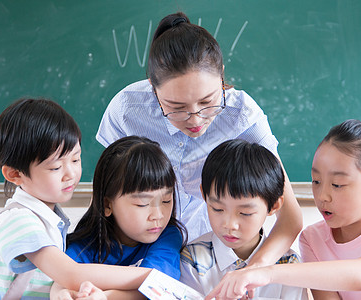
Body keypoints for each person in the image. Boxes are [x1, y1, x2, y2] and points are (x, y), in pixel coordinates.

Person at [96, 11, 302, 267]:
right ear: (152, 86)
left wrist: (254, 270)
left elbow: (290, 219)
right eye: (176, 107)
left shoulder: (243, 117)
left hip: (213, 253)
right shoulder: (127, 109)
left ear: (222, 76)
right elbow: (110, 197)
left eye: (208, 102)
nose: (195, 119)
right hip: (136, 251)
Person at [206, 119, 361, 300]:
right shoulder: (312, 238)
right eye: (316, 181)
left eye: (337, 185)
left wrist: (265, 273)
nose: (322, 196)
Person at [0, 99, 154, 299]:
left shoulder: (48, 217)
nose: (70, 173)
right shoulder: (18, 220)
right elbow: (71, 274)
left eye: (75, 159)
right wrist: (152, 275)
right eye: (55, 167)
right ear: (15, 174)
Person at [52, 136, 187, 299]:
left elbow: (156, 288)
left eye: (166, 200)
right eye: (142, 204)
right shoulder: (90, 242)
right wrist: (63, 293)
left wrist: (104, 296)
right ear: (108, 205)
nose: (158, 215)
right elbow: (62, 279)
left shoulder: (168, 236)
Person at [180, 139, 308, 299]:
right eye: (217, 209)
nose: (229, 224)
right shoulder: (192, 258)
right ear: (204, 195)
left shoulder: (289, 265)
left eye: (245, 213)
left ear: (274, 206)